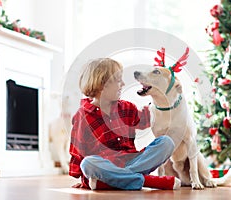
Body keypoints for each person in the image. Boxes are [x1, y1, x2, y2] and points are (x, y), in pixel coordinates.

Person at [69, 58, 181, 190]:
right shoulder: (83, 116)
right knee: (88, 163)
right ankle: (146, 181)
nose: (123, 83)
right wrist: (81, 176)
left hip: (133, 161)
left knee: (166, 142)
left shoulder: (127, 108)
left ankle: (113, 181)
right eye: (118, 80)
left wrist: (161, 97)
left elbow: (148, 119)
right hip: (105, 167)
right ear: (102, 85)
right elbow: (77, 150)